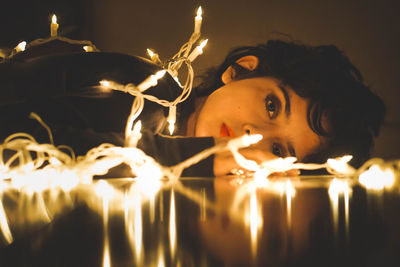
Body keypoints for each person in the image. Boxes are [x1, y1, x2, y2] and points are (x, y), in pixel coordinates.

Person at [0, 38, 385, 177]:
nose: (257, 136)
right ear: (240, 70)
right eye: (272, 106)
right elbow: (21, 142)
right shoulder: (145, 92)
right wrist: (191, 158)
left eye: (281, 150)